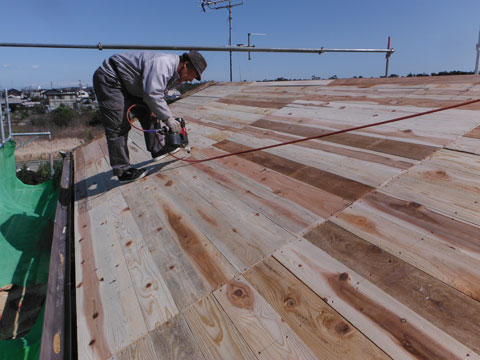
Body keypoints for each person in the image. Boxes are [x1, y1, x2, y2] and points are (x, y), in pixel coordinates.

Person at [93, 50, 207, 183]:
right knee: (118, 125)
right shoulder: (163, 64)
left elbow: (157, 95)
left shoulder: (175, 73)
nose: (191, 80)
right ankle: (123, 170)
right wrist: (168, 119)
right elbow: (152, 95)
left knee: (150, 112)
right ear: (186, 65)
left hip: (131, 83)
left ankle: (157, 149)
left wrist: (158, 111)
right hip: (111, 78)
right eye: (193, 75)